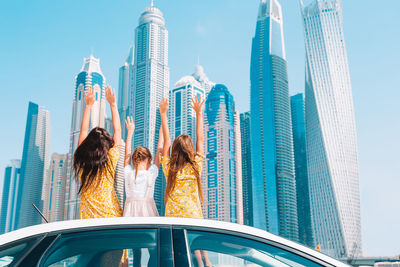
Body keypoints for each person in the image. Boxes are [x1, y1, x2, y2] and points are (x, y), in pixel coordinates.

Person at [159, 96, 212, 267]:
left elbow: (166, 141)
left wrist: (163, 114)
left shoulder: (169, 169)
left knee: (176, 257)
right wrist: (198, 114)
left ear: (175, 150)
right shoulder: (195, 167)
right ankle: (206, 263)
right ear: (190, 150)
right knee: (198, 253)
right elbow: (201, 140)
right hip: (193, 217)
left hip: (172, 221)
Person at [73, 86, 123, 266]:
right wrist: (113, 105)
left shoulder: (82, 161)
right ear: (106, 145)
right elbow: (118, 133)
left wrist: (88, 106)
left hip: (88, 226)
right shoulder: (110, 159)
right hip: (112, 222)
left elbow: (82, 133)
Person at [122, 116, 162, 267]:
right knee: (153, 250)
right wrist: (161, 132)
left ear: (134, 160)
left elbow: (126, 154)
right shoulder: (151, 172)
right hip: (148, 212)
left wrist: (130, 132)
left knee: (136, 251)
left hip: (130, 213)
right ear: (149, 159)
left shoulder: (128, 172)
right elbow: (160, 152)